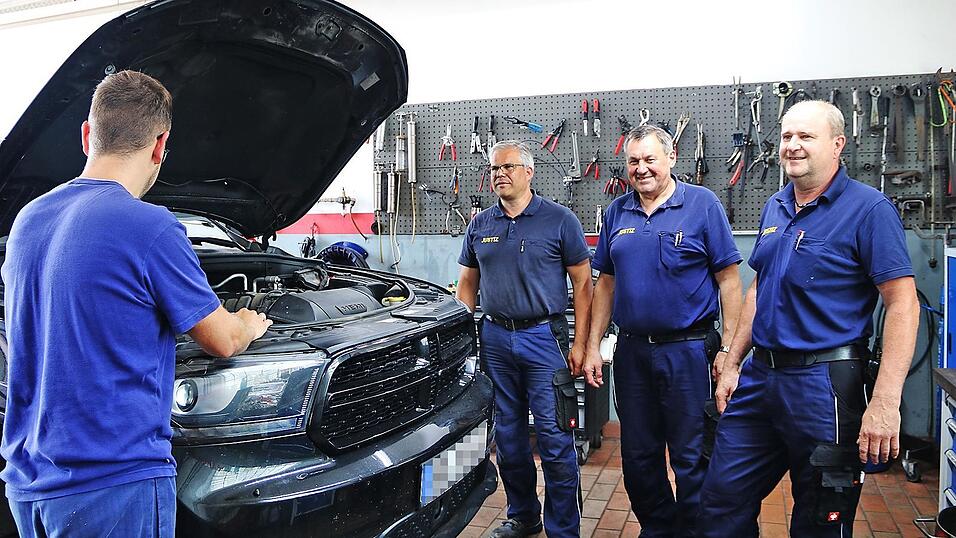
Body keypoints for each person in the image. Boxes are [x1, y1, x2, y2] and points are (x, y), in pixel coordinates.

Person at [0, 70, 273, 537]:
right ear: (160, 145)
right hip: (112, 485)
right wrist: (248, 321)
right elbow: (223, 340)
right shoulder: (150, 227)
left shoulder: (27, 221)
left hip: (28, 484)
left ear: (88, 135)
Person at [699, 100, 920, 537]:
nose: (793, 146)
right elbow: (760, 288)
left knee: (821, 518)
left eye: (806, 136)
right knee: (720, 502)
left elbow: (903, 304)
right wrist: (731, 359)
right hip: (760, 379)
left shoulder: (869, 210)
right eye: (786, 137)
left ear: (838, 145)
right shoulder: (775, 207)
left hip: (825, 387)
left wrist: (885, 401)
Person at [584, 124, 743, 537]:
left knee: (693, 458)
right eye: (634, 161)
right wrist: (592, 346)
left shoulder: (703, 204)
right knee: (638, 458)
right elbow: (606, 284)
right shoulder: (618, 211)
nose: (642, 169)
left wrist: (730, 351)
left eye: (650, 159)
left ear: (671, 157)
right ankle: (659, 529)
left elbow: (729, 281)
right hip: (633, 352)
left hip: (689, 351)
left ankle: (693, 531)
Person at [456, 140, 594, 538]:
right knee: (509, 440)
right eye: (495, 169)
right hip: (495, 339)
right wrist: (463, 335)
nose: (499, 173)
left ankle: (564, 529)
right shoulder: (480, 224)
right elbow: (467, 284)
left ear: (529, 172)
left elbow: (583, 283)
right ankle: (524, 516)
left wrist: (581, 344)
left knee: (554, 439)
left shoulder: (559, 219)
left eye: (508, 167)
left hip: (543, 340)